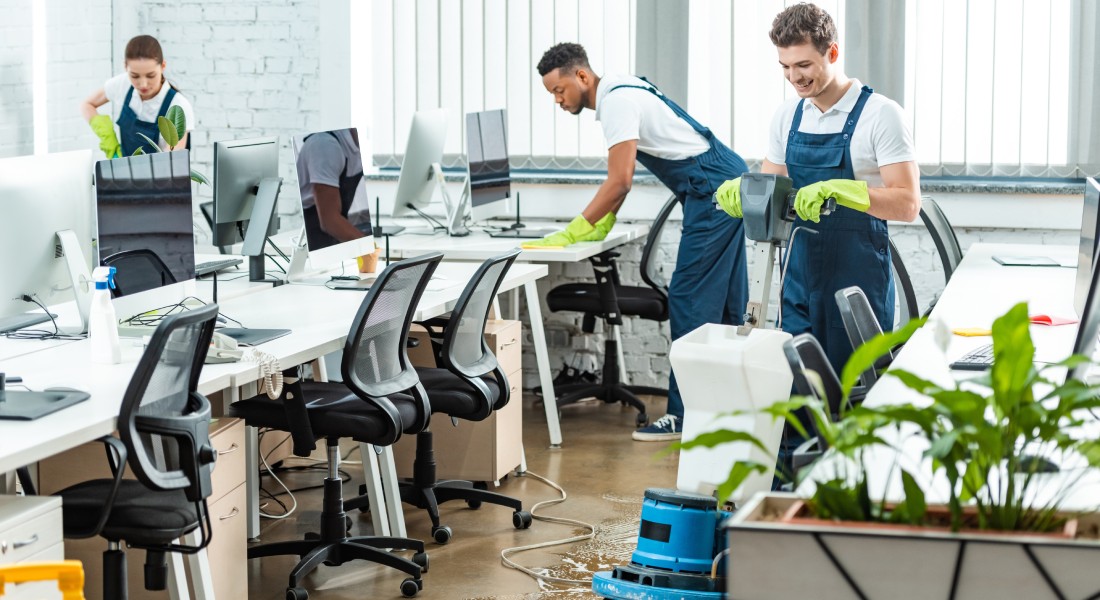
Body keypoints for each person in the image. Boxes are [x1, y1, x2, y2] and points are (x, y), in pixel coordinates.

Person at [714, 3, 920, 473]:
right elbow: (772, 190)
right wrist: (745, 191)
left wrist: (846, 191)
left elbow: (908, 204)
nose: (795, 78)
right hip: (799, 273)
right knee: (798, 388)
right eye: (785, 67)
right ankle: (792, 500)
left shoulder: (880, 115)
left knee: (851, 391)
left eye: (804, 65)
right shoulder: (787, 117)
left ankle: (852, 495)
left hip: (856, 279)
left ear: (832, 52)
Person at [533, 43, 750, 442]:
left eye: (558, 90)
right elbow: (624, 179)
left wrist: (577, 228)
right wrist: (603, 221)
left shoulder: (615, 104)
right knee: (725, 303)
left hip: (714, 189)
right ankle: (731, 409)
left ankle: (685, 417)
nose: (558, 100)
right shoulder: (623, 88)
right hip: (725, 179)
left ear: (582, 77)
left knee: (690, 299)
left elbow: (620, 180)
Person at [80, 35, 194, 158]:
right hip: (125, 171)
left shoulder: (177, 107)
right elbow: (87, 105)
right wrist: (108, 137)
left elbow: (174, 163)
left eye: (150, 76)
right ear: (125, 67)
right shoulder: (122, 84)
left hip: (162, 175)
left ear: (163, 66)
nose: (143, 84)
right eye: (135, 76)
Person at [296, 127, 370, 250]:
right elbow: (329, 221)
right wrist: (368, 249)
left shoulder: (357, 147)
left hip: (333, 234)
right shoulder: (325, 146)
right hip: (313, 237)